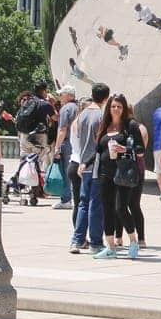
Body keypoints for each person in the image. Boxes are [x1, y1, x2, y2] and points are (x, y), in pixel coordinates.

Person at [94, 93, 147, 259]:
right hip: (105, 173)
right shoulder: (105, 125)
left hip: (123, 171)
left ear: (123, 109)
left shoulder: (130, 125)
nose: (115, 109)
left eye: (119, 106)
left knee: (121, 208)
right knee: (107, 209)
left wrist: (126, 149)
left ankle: (133, 240)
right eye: (113, 106)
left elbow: (141, 149)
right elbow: (98, 149)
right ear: (108, 108)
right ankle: (110, 247)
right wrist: (84, 163)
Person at [70, 83, 110, 251]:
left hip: (82, 162)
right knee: (96, 203)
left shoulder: (82, 115)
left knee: (82, 203)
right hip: (96, 164)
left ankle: (77, 239)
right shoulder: (101, 116)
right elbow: (101, 142)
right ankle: (95, 242)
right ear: (106, 97)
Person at [52, 87, 79, 212]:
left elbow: (62, 129)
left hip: (67, 142)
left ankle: (66, 199)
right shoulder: (79, 108)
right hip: (78, 143)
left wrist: (57, 147)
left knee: (66, 171)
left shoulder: (66, 109)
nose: (60, 97)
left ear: (68, 95)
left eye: (62, 95)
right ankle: (75, 197)